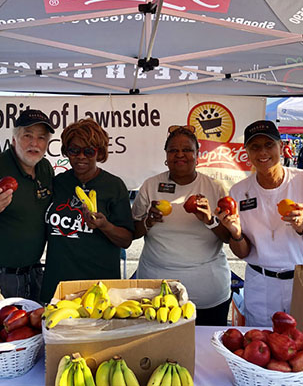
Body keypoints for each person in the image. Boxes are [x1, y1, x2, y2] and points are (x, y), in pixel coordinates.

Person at [132, 125, 231, 326]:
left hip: (208, 292)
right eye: (173, 150)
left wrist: (210, 221)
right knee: (158, 352)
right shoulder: (150, 185)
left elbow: (230, 237)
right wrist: (148, 221)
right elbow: (133, 233)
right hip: (157, 291)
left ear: (197, 155)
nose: (180, 155)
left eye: (187, 150)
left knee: (207, 350)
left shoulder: (215, 188)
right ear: (166, 156)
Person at [216, 120, 303, 327]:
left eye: (269, 145)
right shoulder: (238, 192)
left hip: (299, 280)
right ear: (246, 152)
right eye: (255, 147)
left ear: (281, 147)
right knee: (259, 342)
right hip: (260, 281)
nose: (262, 152)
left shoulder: (300, 182)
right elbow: (242, 252)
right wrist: (235, 234)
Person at [40, 118, 134, 303]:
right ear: (66, 151)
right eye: (74, 150)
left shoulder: (114, 186)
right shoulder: (57, 183)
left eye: (89, 151)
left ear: (99, 153)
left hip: (99, 287)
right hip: (58, 285)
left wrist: (105, 226)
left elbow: (126, 240)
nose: (81, 156)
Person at [0, 109, 54, 302]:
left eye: (41, 138)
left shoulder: (45, 168)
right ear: (14, 140)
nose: (34, 143)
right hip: (3, 277)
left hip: (35, 272)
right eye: (27, 136)